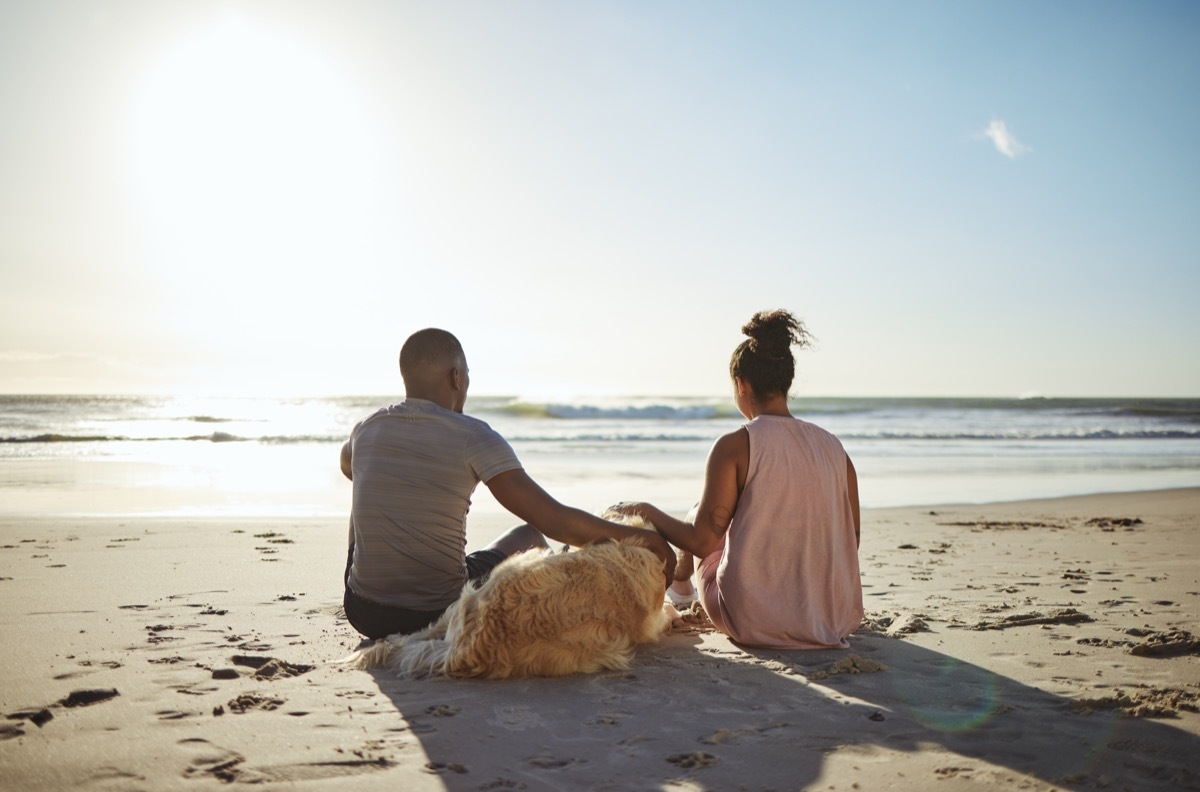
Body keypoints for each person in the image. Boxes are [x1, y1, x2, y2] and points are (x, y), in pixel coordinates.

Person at [339, 327, 675, 641]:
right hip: (441, 613)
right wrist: (639, 537)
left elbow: (348, 465)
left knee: (364, 497)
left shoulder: (366, 429)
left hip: (365, 613)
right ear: (457, 377)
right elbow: (552, 520)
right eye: (466, 375)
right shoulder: (472, 435)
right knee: (528, 534)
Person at [610, 310, 862, 649]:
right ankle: (685, 586)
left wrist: (646, 510)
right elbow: (851, 539)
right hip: (832, 618)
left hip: (751, 618)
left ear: (741, 385)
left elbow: (700, 541)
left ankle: (681, 586)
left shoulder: (736, 445)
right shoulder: (836, 449)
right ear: (786, 384)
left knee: (702, 512)